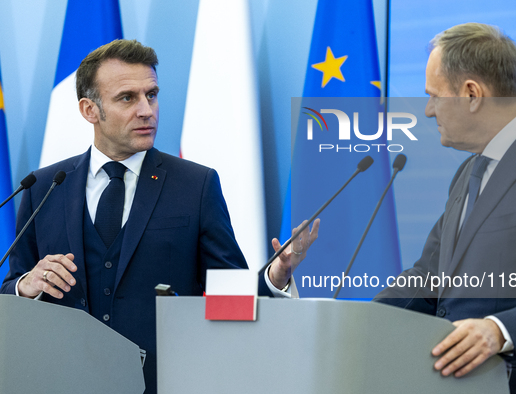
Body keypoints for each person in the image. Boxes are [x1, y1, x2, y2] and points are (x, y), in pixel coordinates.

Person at [0, 39, 319, 394]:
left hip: (164, 384)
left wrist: (275, 275)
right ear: (90, 109)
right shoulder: (44, 187)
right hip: (63, 382)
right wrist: (24, 286)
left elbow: (227, 295)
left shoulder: (195, 185)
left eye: (151, 95)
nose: (146, 110)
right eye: (127, 98)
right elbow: (12, 289)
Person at [374, 23, 516, 393]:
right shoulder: (469, 170)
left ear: (472, 94)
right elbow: (429, 277)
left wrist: (499, 330)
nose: (428, 111)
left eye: (435, 96)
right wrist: (357, 320)